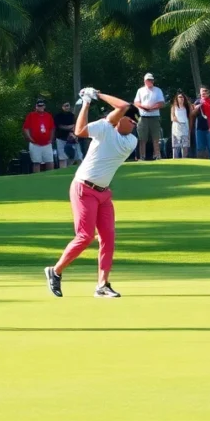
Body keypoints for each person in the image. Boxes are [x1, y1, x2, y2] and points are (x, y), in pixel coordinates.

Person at [45, 89, 138, 299]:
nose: (134, 125)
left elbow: (122, 108)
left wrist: (94, 94)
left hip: (103, 194)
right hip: (83, 188)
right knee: (85, 236)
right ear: (121, 120)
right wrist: (87, 102)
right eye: (131, 121)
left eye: (135, 123)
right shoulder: (106, 128)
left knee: (108, 238)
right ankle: (55, 271)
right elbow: (79, 131)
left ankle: (102, 285)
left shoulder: (129, 141)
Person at [134, 73, 165, 161]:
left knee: (156, 137)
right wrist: (144, 107)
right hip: (143, 117)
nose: (150, 81)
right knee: (142, 138)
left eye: (151, 80)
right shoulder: (140, 90)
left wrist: (151, 108)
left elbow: (162, 103)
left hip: (155, 116)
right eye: (148, 80)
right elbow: (136, 102)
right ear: (144, 81)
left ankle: (157, 155)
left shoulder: (158, 90)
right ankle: (142, 157)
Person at [22, 99, 55, 172]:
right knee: (36, 162)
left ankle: (51, 176)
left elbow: (52, 128)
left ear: (44, 106)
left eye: (42, 105)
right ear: (36, 106)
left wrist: (51, 139)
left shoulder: (48, 116)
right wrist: (29, 138)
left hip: (47, 143)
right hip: (35, 143)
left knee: (50, 161)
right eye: (39, 106)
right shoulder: (31, 115)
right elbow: (25, 128)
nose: (40, 107)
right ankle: (37, 177)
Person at [193, 86, 210, 160]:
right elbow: (193, 114)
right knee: (200, 147)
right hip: (199, 127)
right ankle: (201, 162)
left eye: (205, 91)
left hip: (209, 127)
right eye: (202, 91)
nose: (203, 93)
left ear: (208, 93)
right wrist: (196, 108)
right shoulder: (197, 102)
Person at [54, 102, 80, 167]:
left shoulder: (72, 115)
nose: (67, 107)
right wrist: (71, 126)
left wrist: (72, 131)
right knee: (62, 157)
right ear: (62, 107)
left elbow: (76, 126)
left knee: (75, 156)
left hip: (71, 138)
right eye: (65, 106)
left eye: (68, 105)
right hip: (60, 138)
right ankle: (63, 170)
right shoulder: (58, 116)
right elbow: (60, 126)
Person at [170, 92, 193, 159]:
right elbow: (172, 117)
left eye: (182, 97)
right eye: (179, 97)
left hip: (185, 126)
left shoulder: (187, 107)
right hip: (176, 127)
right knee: (176, 145)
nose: (181, 98)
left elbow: (190, 116)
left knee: (185, 145)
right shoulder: (174, 107)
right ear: (176, 98)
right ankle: (175, 159)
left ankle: (184, 159)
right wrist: (179, 122)